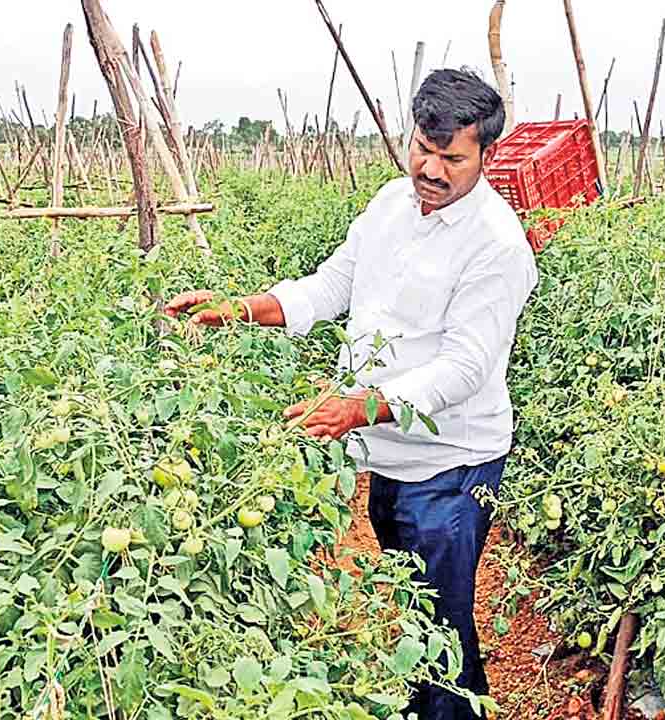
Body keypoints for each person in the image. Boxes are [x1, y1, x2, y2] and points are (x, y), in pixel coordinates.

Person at [165, 68, 537, 719]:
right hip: (386, 454)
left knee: (442, 627)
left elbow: (465, 369)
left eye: (452, 159)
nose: (430, 170)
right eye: (422, 149)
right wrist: (242, 308)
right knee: (419, 614)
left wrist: (357, 406)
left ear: (487, 153)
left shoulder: (497, 246)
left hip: (451, 465)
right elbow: (331, 285)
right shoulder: (391, 205)